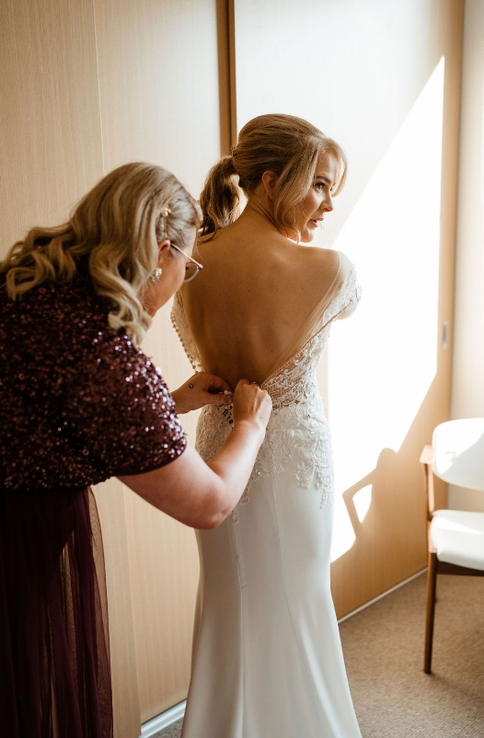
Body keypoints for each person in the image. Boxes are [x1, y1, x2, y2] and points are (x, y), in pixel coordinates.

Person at [0, 162, 271, 738]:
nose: (182, 280)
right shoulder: (105, 356)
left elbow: (51, 417)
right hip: (14, 539)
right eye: (188, 266)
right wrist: (250, 426)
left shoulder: (22, 287)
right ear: (158, 248)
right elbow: (211, 503)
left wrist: (170, 403)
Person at [171, 114, 362, 738]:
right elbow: (351, 303)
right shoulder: (331, 270)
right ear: (271, 181)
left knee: (228, 604)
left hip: (217, 451)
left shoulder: (193, 261)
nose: (329, 204)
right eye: (318, 186)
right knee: (299, 604)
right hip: (294, 458)